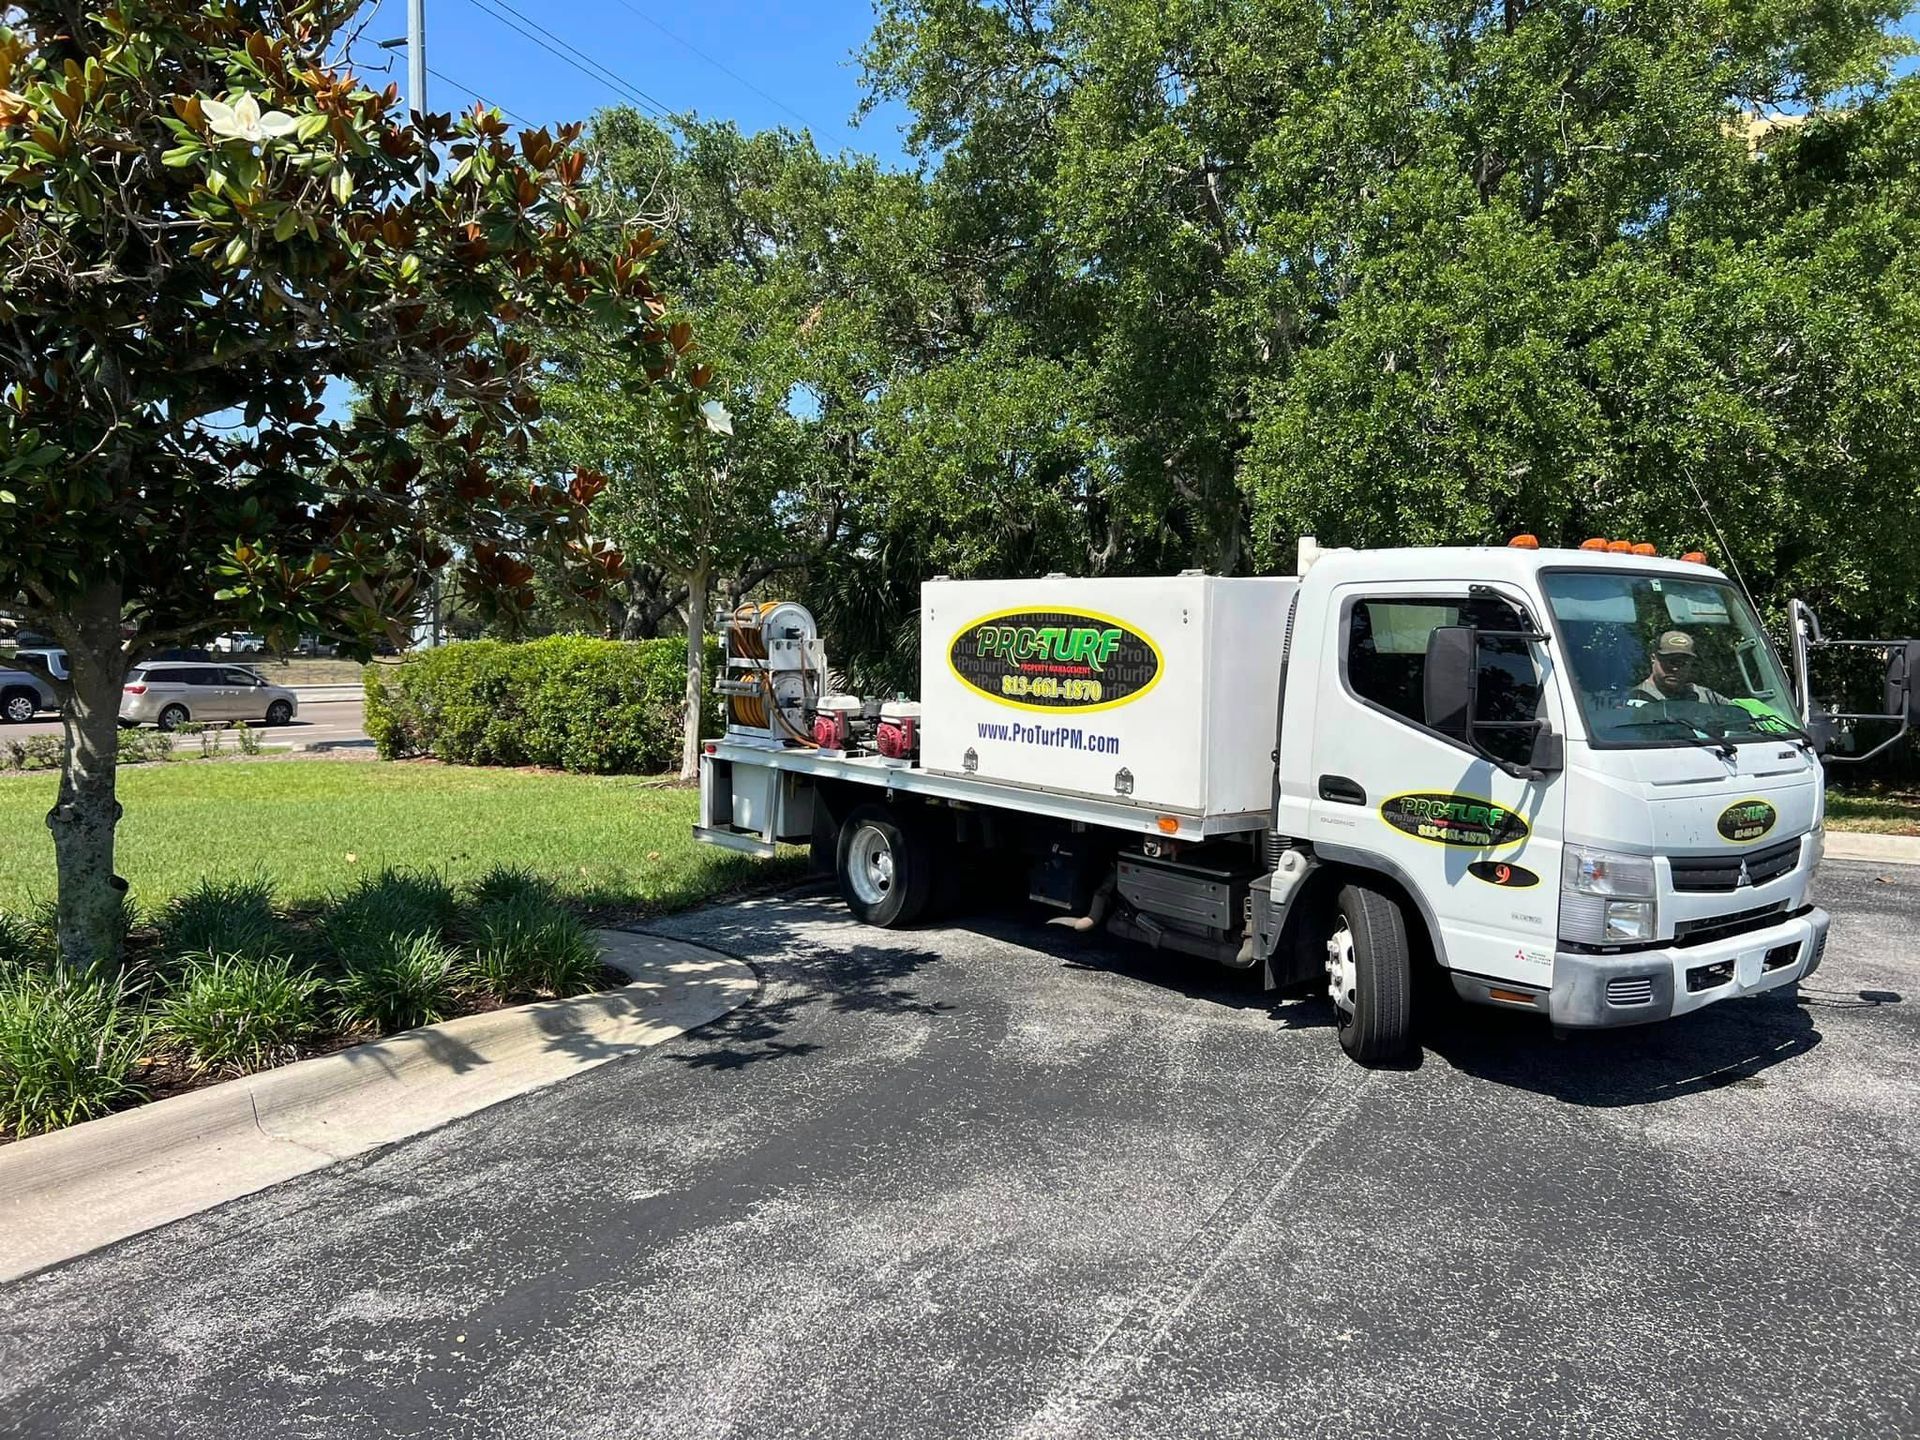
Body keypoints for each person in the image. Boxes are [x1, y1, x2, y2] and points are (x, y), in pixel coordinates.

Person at [1629, 630, 1730, 706]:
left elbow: (1739, 713)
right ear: (1653, 658)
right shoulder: (1635, 699)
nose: (1675, 669)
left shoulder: (1704, 696)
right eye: (1670, 662)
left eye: (1683, 663)